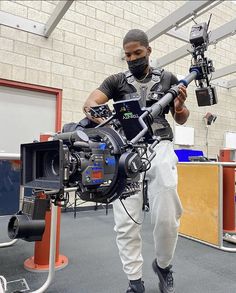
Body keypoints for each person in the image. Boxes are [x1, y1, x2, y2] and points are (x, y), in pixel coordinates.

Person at [83, 29, 189, 293]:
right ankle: (134, 281)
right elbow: (90, 104)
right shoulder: (116, 80)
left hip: (160, 146)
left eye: (137, 53)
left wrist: (178, 107)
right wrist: (115, 123)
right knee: (125, 220)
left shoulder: (168, 79)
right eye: (127, 55)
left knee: (167, 216)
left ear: (148, 51)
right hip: (127, 149)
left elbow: (182, 117)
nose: (132, 58)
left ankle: (164, 267)